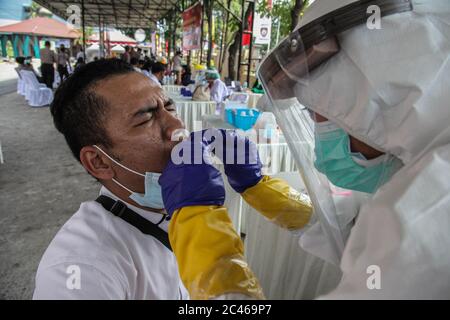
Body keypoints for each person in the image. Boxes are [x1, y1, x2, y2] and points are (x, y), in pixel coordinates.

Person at [158, 0, 450, 299]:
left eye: (315, 113)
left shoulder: (427, 219)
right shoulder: (428, 181)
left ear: (376, 103)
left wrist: (202, 239)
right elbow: (350, 232)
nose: (319, 133)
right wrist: (261, 190)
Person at [33, 59, 188, 299]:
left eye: (169, 107)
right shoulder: (81, 270)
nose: (176, 125)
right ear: (99, 162)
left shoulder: (180, 208)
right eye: (146, 119)